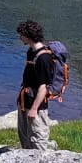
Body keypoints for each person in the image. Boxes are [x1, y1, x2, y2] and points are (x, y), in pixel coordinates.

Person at [16, 19, 56, 150]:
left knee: (38, 138)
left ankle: (43, 159)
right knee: (25, 136)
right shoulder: (31, 52)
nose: (20, 38)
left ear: (28, 36)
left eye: (21, 35)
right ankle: (26, 157)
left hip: (36, 105)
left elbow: (43, 87)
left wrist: (34, 109)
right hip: (25, 100)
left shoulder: (44, 58)